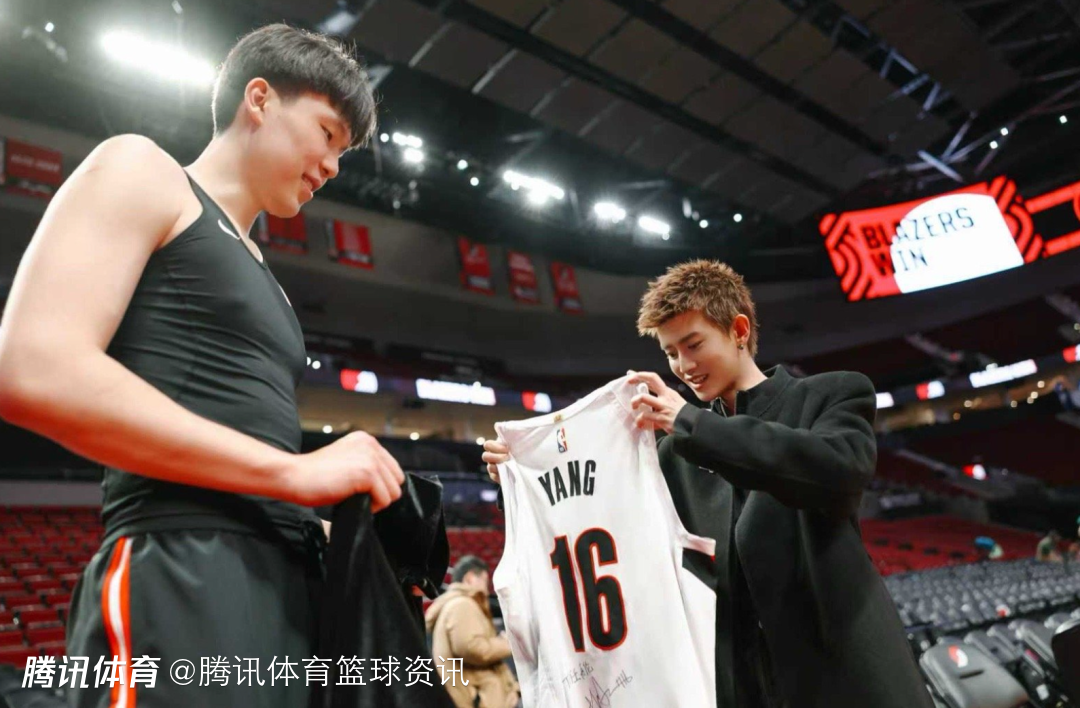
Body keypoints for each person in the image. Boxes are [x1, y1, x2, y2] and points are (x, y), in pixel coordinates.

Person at [0, 24, 405, 707]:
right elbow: (34, 368)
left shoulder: (268, 279)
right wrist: (293, 474)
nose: (334, 166)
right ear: (260, 99)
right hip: (181, 569)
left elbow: (249, 445)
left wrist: (337, 532)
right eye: (328, 133)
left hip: (283, 590)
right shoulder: (142, 168)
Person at [484, 260, 932, 708]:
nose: (684, 366)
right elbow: (604, 518)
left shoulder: (831, 394)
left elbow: (839, 470)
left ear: (739, 330)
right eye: (670, 353)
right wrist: (524, 480)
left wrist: (690, 423)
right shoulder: (673, 454)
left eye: (693, 344)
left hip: (849, 680)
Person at [425, 556, 519, 708]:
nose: (487, 590)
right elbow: (473, 649)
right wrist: (506, 644)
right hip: (477, 701)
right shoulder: (462, 605)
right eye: (484, 581)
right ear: (469, 579)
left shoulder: (458, 604)